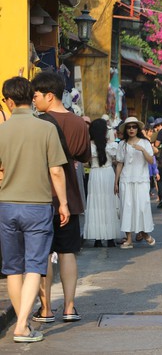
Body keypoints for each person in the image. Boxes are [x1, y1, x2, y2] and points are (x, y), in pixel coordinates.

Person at [0, 77, 69, 343]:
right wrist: (63, 203)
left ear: (8, 100)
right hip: (38, 207)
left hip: (6, 206)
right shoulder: (45, 128)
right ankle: (21, 326)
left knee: (13, 268)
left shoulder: (2, 131)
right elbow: (56, 171)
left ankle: (24, 323)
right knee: (34, 266)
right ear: (32, 98)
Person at [31, 71, 90, 325]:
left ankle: (46, 310)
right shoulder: (78, 123)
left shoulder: (39, 122)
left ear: (49, 95)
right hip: (71, 197)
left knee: (43, 254)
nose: (34, 101)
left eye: (36, 96)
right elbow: (84, 157)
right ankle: (69, 307)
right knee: (68, 252)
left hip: (42, 195)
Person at [114, 117, 156, 249]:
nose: (131, 129)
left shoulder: (144, 142)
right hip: (126, 179)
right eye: (129, 127)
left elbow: (151, 161)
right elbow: (120, 163)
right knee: (127, 207)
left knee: (142, 207)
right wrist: (116, 182)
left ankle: (144, 232)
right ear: (125, 129)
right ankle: (129, 239)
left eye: (134, 127)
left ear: (138, 129)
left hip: (141, 179)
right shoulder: (122, 144)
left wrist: (142, 150)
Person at [84, 119, 119, 248]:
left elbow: (86, 161)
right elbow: (117, 160)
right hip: (108, 174)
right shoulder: (111, 145)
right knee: (109, 205)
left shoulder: (89, 146)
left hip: (95, 174)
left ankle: (98, 239)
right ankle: (110, 238)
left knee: (96, 205)